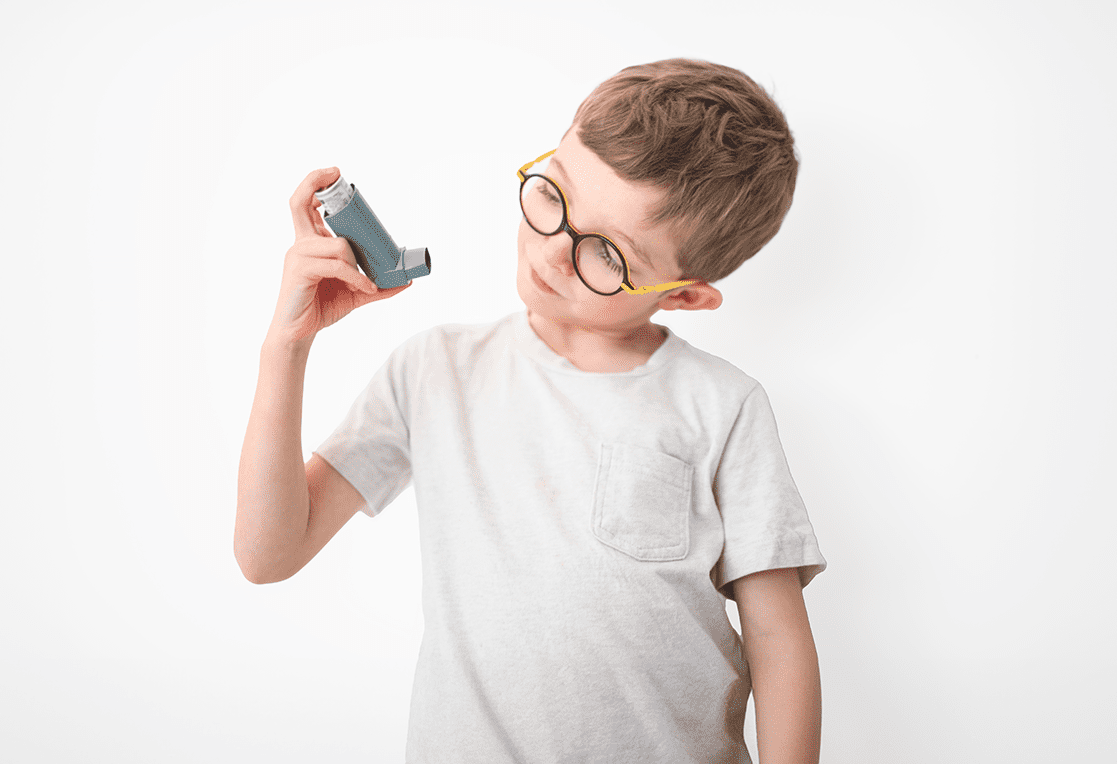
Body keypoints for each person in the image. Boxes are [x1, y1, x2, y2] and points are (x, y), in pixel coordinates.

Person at [235, 58, 826, 763]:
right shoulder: (434, 372)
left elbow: (778, 642)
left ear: (684, 295)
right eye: (555, 195)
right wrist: (286, 347)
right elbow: (268, 553)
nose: (552, 251)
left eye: (606, 254)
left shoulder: (722, 407)